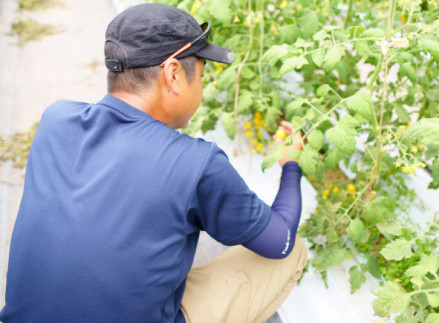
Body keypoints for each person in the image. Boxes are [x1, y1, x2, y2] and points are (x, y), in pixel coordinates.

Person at [0, 3, 307, 323]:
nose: (201, 89)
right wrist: (291, 165)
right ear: (174, 74)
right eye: (200, 76)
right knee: (294, 251)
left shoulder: (55, 120)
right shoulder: (195, 163)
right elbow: (279, 241)